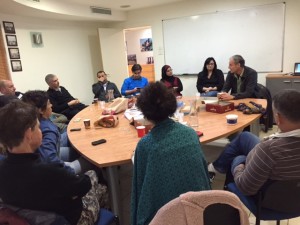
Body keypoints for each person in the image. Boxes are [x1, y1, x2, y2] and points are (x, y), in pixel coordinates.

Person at [0, 100, 103, 225]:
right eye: (38, 127)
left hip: (29, 217)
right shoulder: (50, 170)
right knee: (92, 175)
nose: (41, 130)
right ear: (28, 134)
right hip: (70, 218)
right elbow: (82, 186)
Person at [131, 81, 211, 225]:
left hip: (164, 216)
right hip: (198, 209)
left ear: (145, 112)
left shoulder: (145, 145)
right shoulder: (190, 133)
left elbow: (139, 191)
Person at [208, 89, 300, 196]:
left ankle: (226, 192)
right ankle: (216, 167)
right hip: (294, 197)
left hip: (268, 200)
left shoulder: (268, 150)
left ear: (278, 118)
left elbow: (245, 189)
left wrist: (240, 164)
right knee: (244, 137)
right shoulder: (268, 149)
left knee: (239, 157)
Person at [22, 90, 94, 175]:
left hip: (43, 157)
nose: (51, 105)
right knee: (92, 157)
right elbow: (50, 163)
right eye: (49, 103)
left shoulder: (33, 121)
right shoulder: (48, 130)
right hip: (54, 169)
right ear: (41, 110)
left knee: (75, 143)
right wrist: (69, 173)